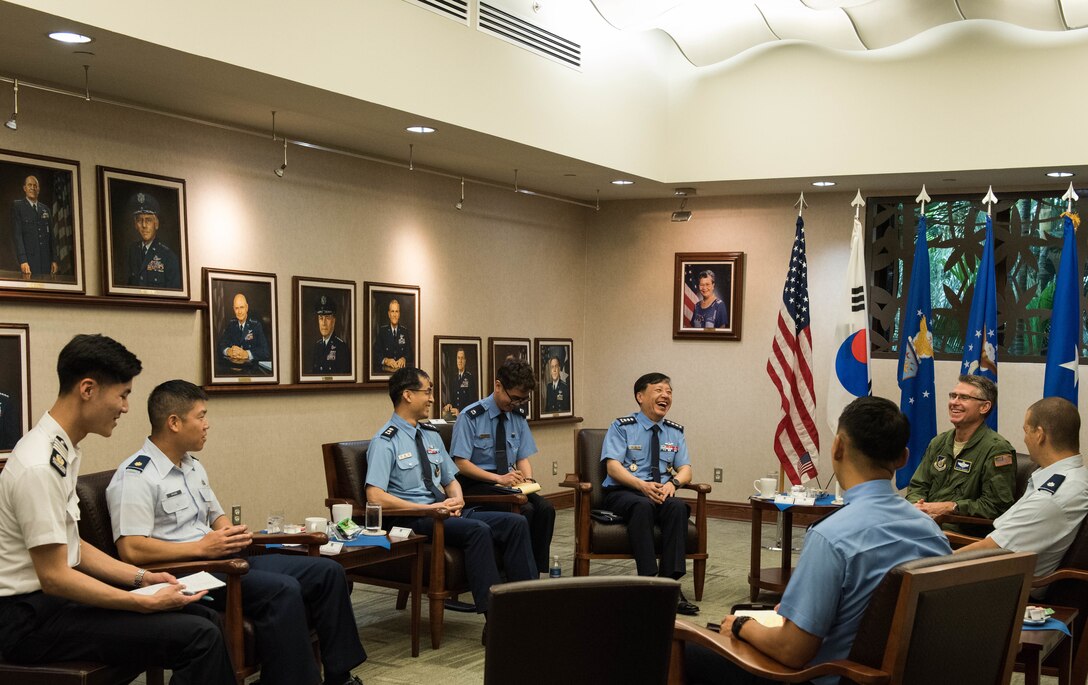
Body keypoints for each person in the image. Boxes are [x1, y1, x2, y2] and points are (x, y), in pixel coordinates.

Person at [0, 334, 234, 684]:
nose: (125, 407)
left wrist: (143, 579)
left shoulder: (61, 450)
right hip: (28, 621)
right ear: (88, 389)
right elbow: (54, 576)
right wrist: (142, 602)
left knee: (204, 616)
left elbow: (74, 548)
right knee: (199, 636)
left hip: (51, 604)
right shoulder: (39, 464)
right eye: (122, 395)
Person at [107, 379, 366, 685]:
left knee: (328, 572)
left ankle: (340, 677)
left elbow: (216, 516)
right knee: (283, 590)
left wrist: (230, 534)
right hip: (186, 573)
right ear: (174, 423)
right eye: (201, 416)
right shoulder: (136, 476)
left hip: (225, 559)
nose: (207, 424)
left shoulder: (191, 465)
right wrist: (202, 548)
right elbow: (132, 550)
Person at [684, 396, 952, 685]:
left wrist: (741, 625)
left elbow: (792, 651)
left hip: (825, 677)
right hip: (898, 675)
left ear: (838, 447)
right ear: (903, 458)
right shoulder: (931, 531)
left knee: (681, 644)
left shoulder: (831, 536)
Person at [365, 367, 535, 640]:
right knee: (478, 530)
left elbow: (450, 477)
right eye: (427, 391)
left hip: (443, 511)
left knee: (515, 523)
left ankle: (527, 608)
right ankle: (496, 621)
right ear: (407, 395)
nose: (432, 398)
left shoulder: (430, 434)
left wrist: (457, 497)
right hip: (413, 519)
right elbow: (375, 496)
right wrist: (427, 509)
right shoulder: (386, 441)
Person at [601, 372, 699, 615]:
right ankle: (648, 582)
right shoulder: (622, 427)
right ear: (640, 396)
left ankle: (670, 586)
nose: (665, 395)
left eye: (669, 391)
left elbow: (686, 469)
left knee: (677, 507)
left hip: (660, 492)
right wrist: (641, 486)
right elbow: (612, 467)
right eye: (658, 390)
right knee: (641, 506)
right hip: (625, 492)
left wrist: (673, 484)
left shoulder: (675, 432)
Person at [956, 397, 1088, 578]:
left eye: (1026, 431)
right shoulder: (1072, 475)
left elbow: (991, 551)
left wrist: (927, 565)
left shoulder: (1051, 498)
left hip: (1010, 585)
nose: (1024, 439)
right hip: (1003, 567)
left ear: (1040, 435)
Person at [451, 359, 556, 574]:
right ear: (498, 386)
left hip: (509, 482)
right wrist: (498, 479)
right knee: (523, 509)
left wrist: (527, 479)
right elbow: (460, 463)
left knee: (546, 509)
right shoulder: (470, 417)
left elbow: (522, 458)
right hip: (478, 482)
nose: (517, 404)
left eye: (523, 399)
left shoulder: (517, 417)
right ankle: (515, 573)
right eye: (514, 398)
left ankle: (533, 572)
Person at [905, 375, 1016, 535]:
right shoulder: (939, 442)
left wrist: (951, 507)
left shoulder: (997, 449)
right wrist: (918, 507)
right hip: (922, 525)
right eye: (953, 396)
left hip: (957, 534)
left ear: (984, 407)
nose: (954, 402)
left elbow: (996, 506)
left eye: (964, 397)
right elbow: (918, 485)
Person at [125, 192, 181, 289]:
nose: (144, 225)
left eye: (148, 220)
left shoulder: (168, 256)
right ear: (135, 225)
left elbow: (174, 296)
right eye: (139, 220)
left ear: (156, 224)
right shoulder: (132, 251)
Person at [11, 175, 56, 278]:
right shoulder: (18, 206)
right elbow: (17, 236)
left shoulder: (46, 209)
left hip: (46, 262)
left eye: (35, 185)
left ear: (38, 189)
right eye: (29, 185)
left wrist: (54, 259)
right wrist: (23, 260)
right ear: (24, 188)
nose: (32, 188)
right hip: (29, 263)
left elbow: (51, 237)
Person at [216, 292, 271, 374]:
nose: (239, 311)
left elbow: (265, 351)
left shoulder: (256, 325)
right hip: (232, 370)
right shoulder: (231, 325)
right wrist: (228, 351)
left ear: (247, 307)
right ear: (233, 309)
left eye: (241, 307)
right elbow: (221, 345)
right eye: (236, 308)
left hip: (252, 371)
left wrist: (246, 353)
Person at [311, 295, 351, 375]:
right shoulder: (317, 346)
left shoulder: (341, 347)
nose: (324, 323)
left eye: (327, 318)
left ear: (333, 321)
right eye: (321, 318)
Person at [372, 298, 412, 374]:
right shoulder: (382, 332)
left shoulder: (404, 331)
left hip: (401, 374)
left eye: (396, 311)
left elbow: (409, 353)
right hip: (385, 374)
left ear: (399, 314)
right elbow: (376, 353)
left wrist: (404, 359)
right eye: (392, 311)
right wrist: (385, 360)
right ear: (389, 314)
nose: (394, 315)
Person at [441, 347, 476, 418]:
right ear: (456, 360)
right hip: (454, 416)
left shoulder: (470, 378)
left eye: (462, 358)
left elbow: (473, 402)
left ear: (465, 361)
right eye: (458, 358)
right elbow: (453, 397)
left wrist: (460, 411)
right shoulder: (454, 378)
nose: (460, 361)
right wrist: (450, 404)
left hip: (465, 416)